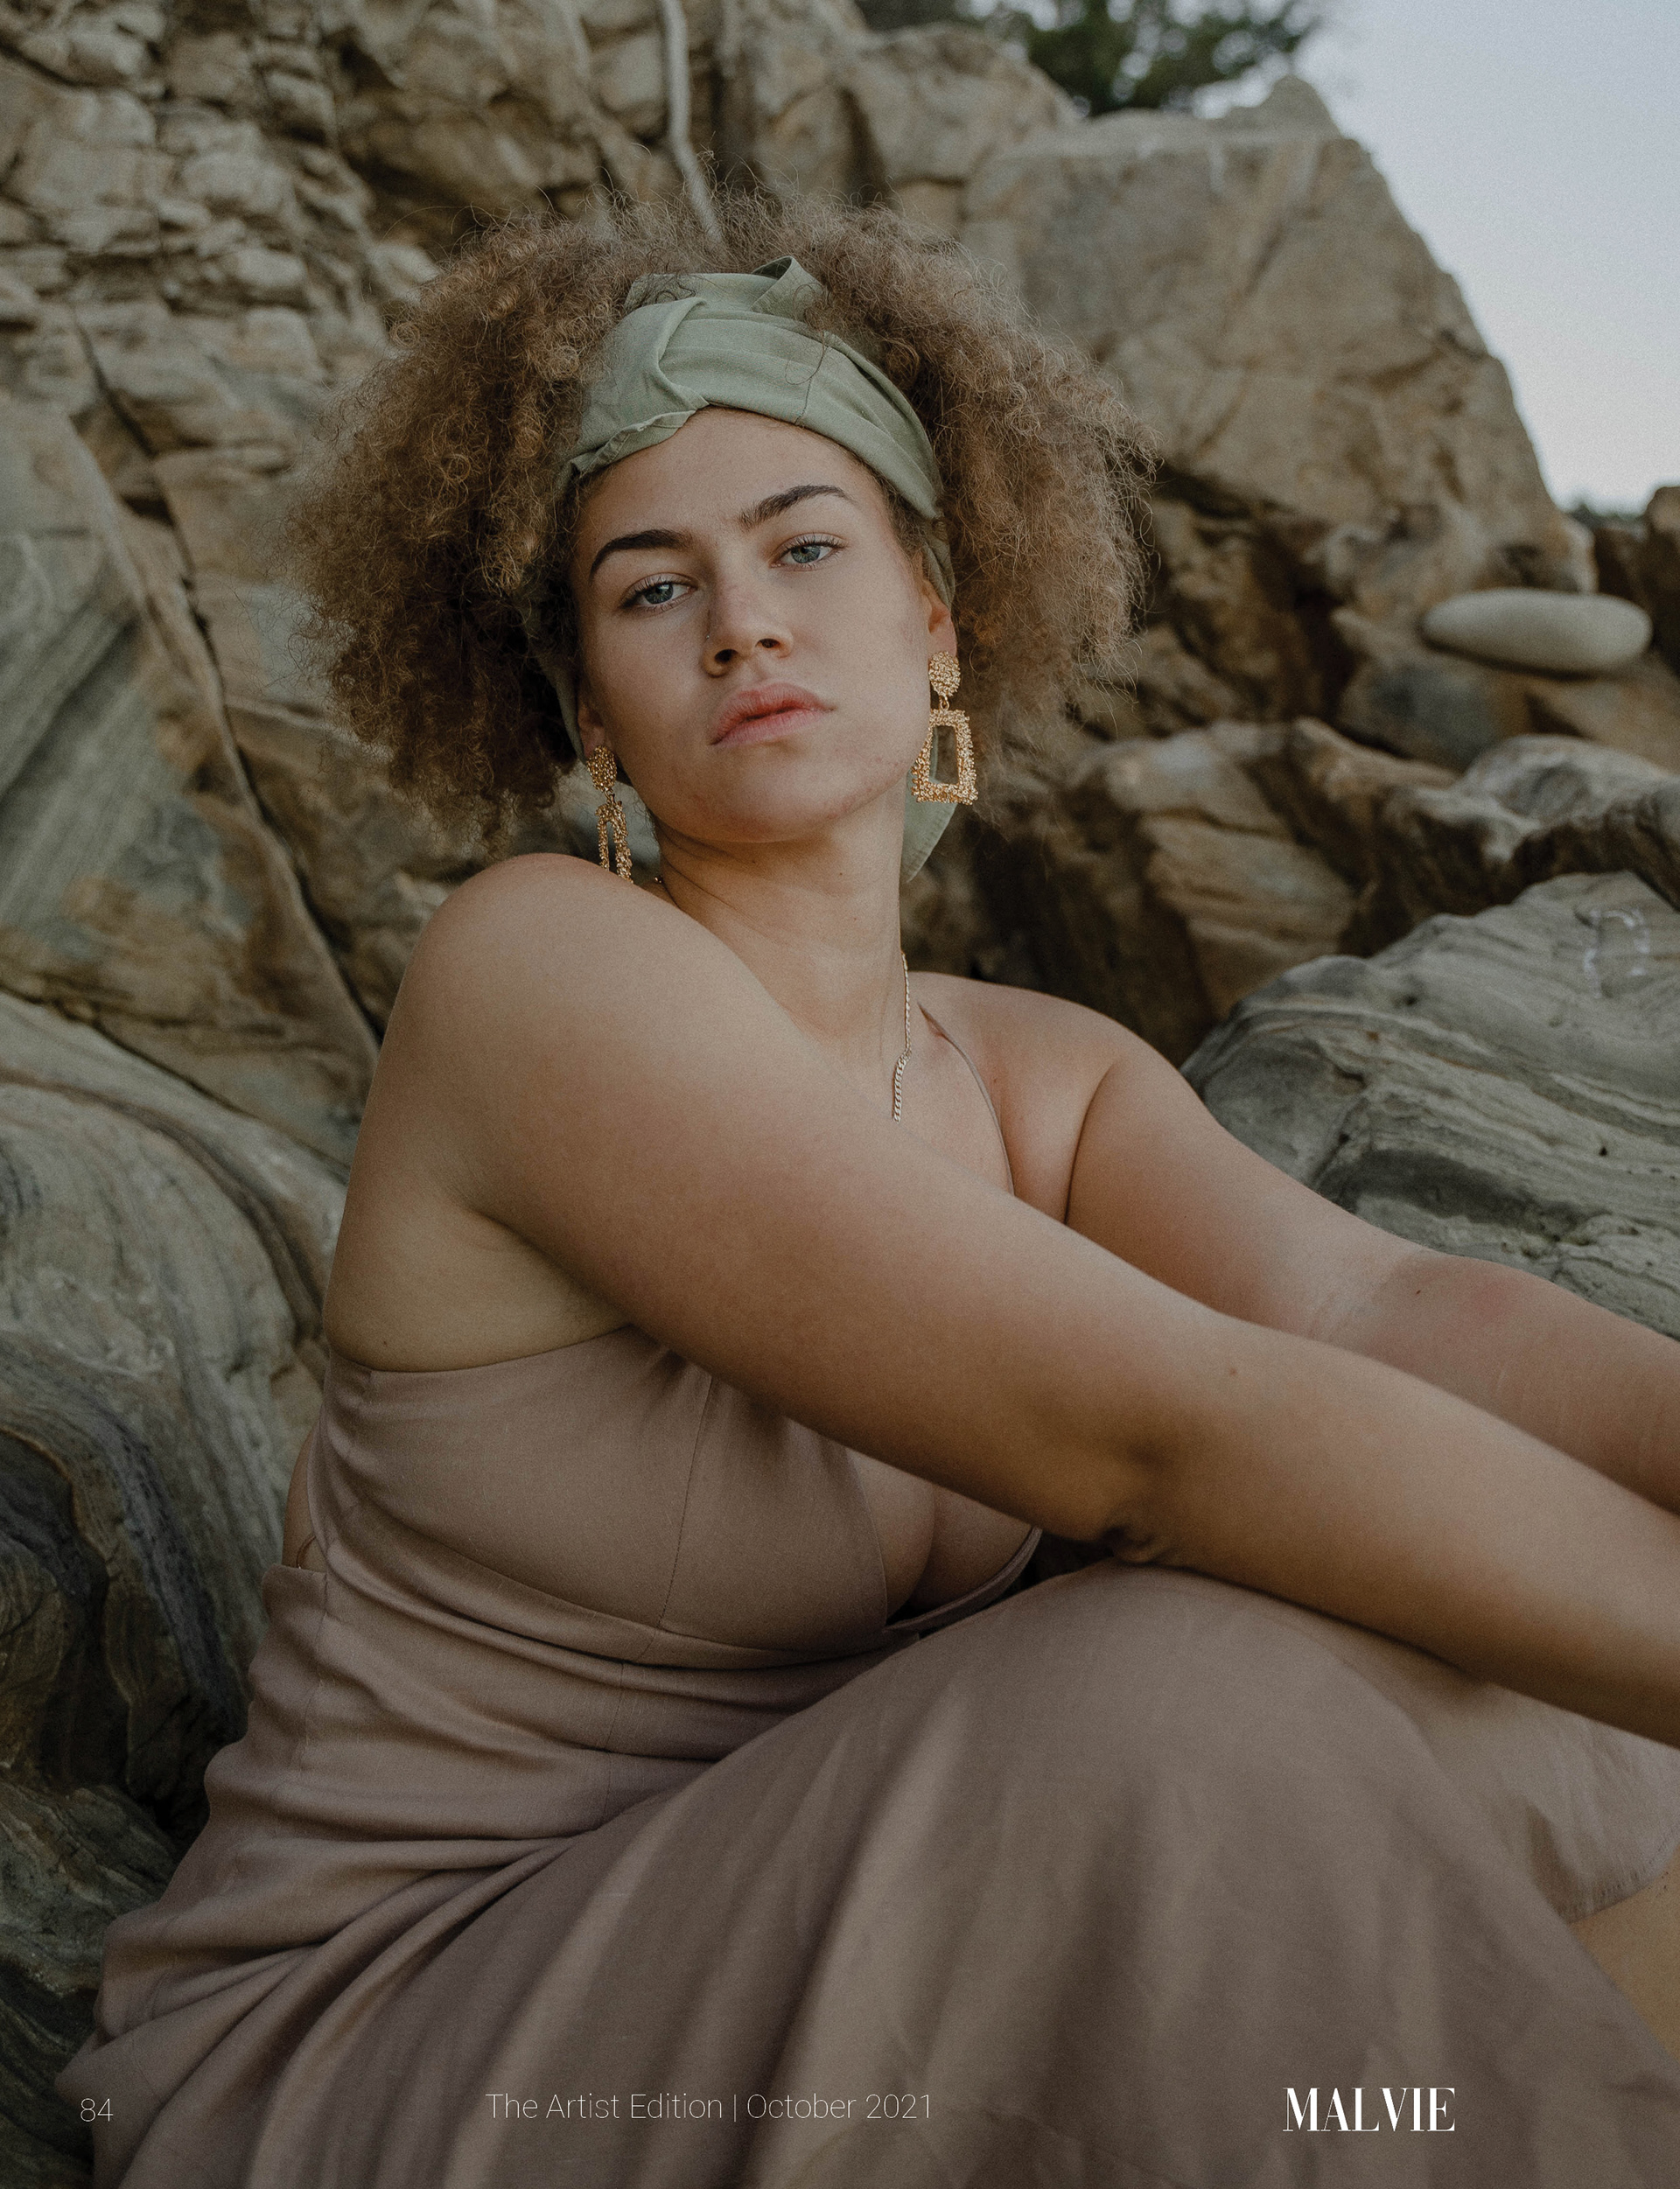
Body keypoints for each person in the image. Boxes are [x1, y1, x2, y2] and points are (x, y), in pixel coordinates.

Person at [60, 194, 1680, 2187]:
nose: (741, 621)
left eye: (806, 547)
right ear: (588, 711)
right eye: (653, 588)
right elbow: (1152, 1439)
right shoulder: (538, 974)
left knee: (1561, 1717)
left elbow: (1386, 1314)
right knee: (1183, 1694)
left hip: (840, 1957)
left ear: (939, 621)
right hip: (392, 2042)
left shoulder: (1040, 1074)